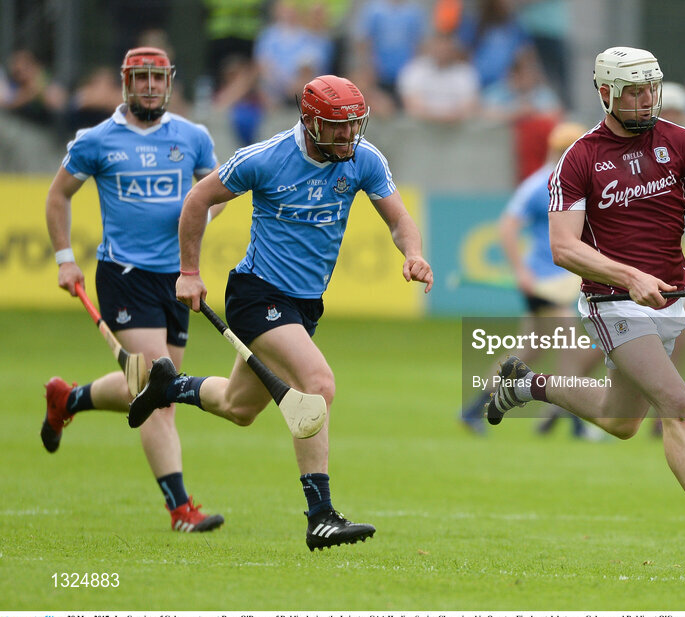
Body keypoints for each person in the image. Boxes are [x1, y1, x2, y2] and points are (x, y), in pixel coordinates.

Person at [484, 47, 685, 571]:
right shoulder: (579, 158)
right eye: (633, 91)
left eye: (650, 88)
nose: (645, 99)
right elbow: (563, 247)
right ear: (606, 94)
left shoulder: (680, 141)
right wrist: (629, 276)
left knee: (621, 421)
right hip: (611, 302)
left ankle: (525, 385)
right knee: (677, 404)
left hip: (668, 300)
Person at [127, 75, 434, 551]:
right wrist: (188, 271)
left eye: (354, 126)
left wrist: (412, 253)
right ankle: (321, 516)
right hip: (256, 295)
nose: (348, 136)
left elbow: (398, 219)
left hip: (304, 305)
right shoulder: (265, 159)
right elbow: (197, 200)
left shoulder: (363, 159)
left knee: (238, 406)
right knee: (318, 383)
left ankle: (169, 386)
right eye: (337, 128)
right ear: (310, 123)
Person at [42, 47, 224, 533]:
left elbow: (215, 194)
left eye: (157, 77)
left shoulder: (193, 137)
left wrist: (196, 217)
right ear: (126, 83)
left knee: (141, 389)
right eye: (140, 77)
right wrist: (65, 260)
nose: (149, 86)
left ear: (170, 82)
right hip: (124, 275)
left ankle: (69, 400)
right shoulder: (97, 140)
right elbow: (59, 195)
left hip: (178, 277)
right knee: (159, 394)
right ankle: (181, 509)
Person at [459, 121, 603, 438]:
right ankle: (576, 422)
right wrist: (522, 272)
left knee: (529, 350)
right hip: (541, 281)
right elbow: (508, 226)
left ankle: (474, 408)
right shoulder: (542, 184)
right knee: (570, 343)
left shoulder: (571, 182)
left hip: (558, 281)